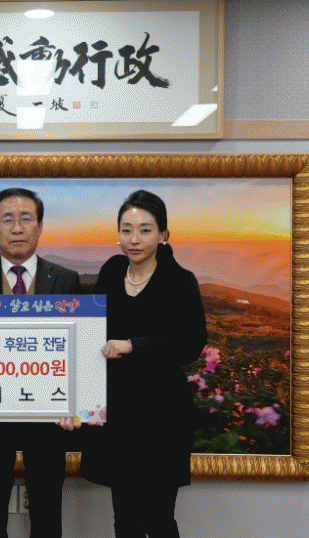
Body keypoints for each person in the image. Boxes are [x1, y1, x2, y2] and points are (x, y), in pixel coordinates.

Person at [80, 190, 207, 538]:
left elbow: (189, 344)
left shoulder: (180, 281)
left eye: (145, 230)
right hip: (118, 416)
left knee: (159, 519)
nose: (134, 239)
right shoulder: (111, 271)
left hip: (162, 417)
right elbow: (92, 327)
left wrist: (134, 345)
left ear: (164, 234)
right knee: (125, 520)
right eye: (127, 230)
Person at [0, 188, 81, 538]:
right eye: (7, 220)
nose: (17, 228)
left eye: (26, 219)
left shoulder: (66, 280)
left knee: (47, 515)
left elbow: (77, 348)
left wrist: (76, 404)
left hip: (49, 417)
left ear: (40, 226)